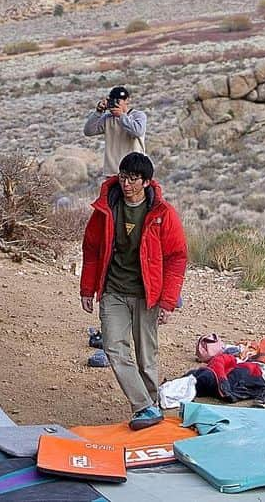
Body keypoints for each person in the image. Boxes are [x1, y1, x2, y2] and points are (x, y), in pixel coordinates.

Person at [79, 151, 186, 430]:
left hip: (146, 294)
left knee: (146, 356)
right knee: (114, 348)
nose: (126, 184)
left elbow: (176, 257)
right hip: (113, 289)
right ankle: (144, 407)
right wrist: (87, 288)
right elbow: (91, 249)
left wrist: (168, 301)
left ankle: (150, 410)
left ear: (147, 182)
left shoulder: (162, 214)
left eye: (133, 179)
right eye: (124, 177)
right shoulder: (107, 208)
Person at [84, 86, 147, 178]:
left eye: (118, 101)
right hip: (112, 172)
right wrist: (98, 112)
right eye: (113, 101)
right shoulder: (108, 118)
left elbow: (137, 132)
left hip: (133, 172)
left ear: (127, 100)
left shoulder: (138, 115)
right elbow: (88, 131)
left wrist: (121, 116)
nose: (115, 103)